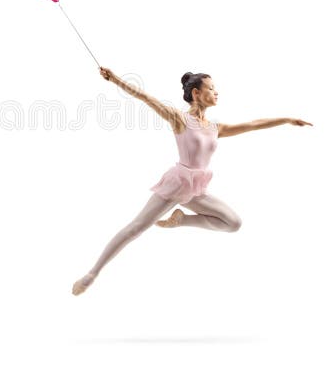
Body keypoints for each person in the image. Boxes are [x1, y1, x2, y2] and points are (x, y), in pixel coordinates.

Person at [71, 66, 313, 296]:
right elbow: (145, 97)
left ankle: (181, 219)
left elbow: (253, 125)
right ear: (196, 93)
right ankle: (91, 274)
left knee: (233, 222)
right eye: (211, 88)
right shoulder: (179, 119)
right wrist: (115, 79)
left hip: (197, 189)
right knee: (136, 228)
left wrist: (287, 120)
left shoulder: (215, 127)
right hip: (177, 184)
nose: (216, 92)